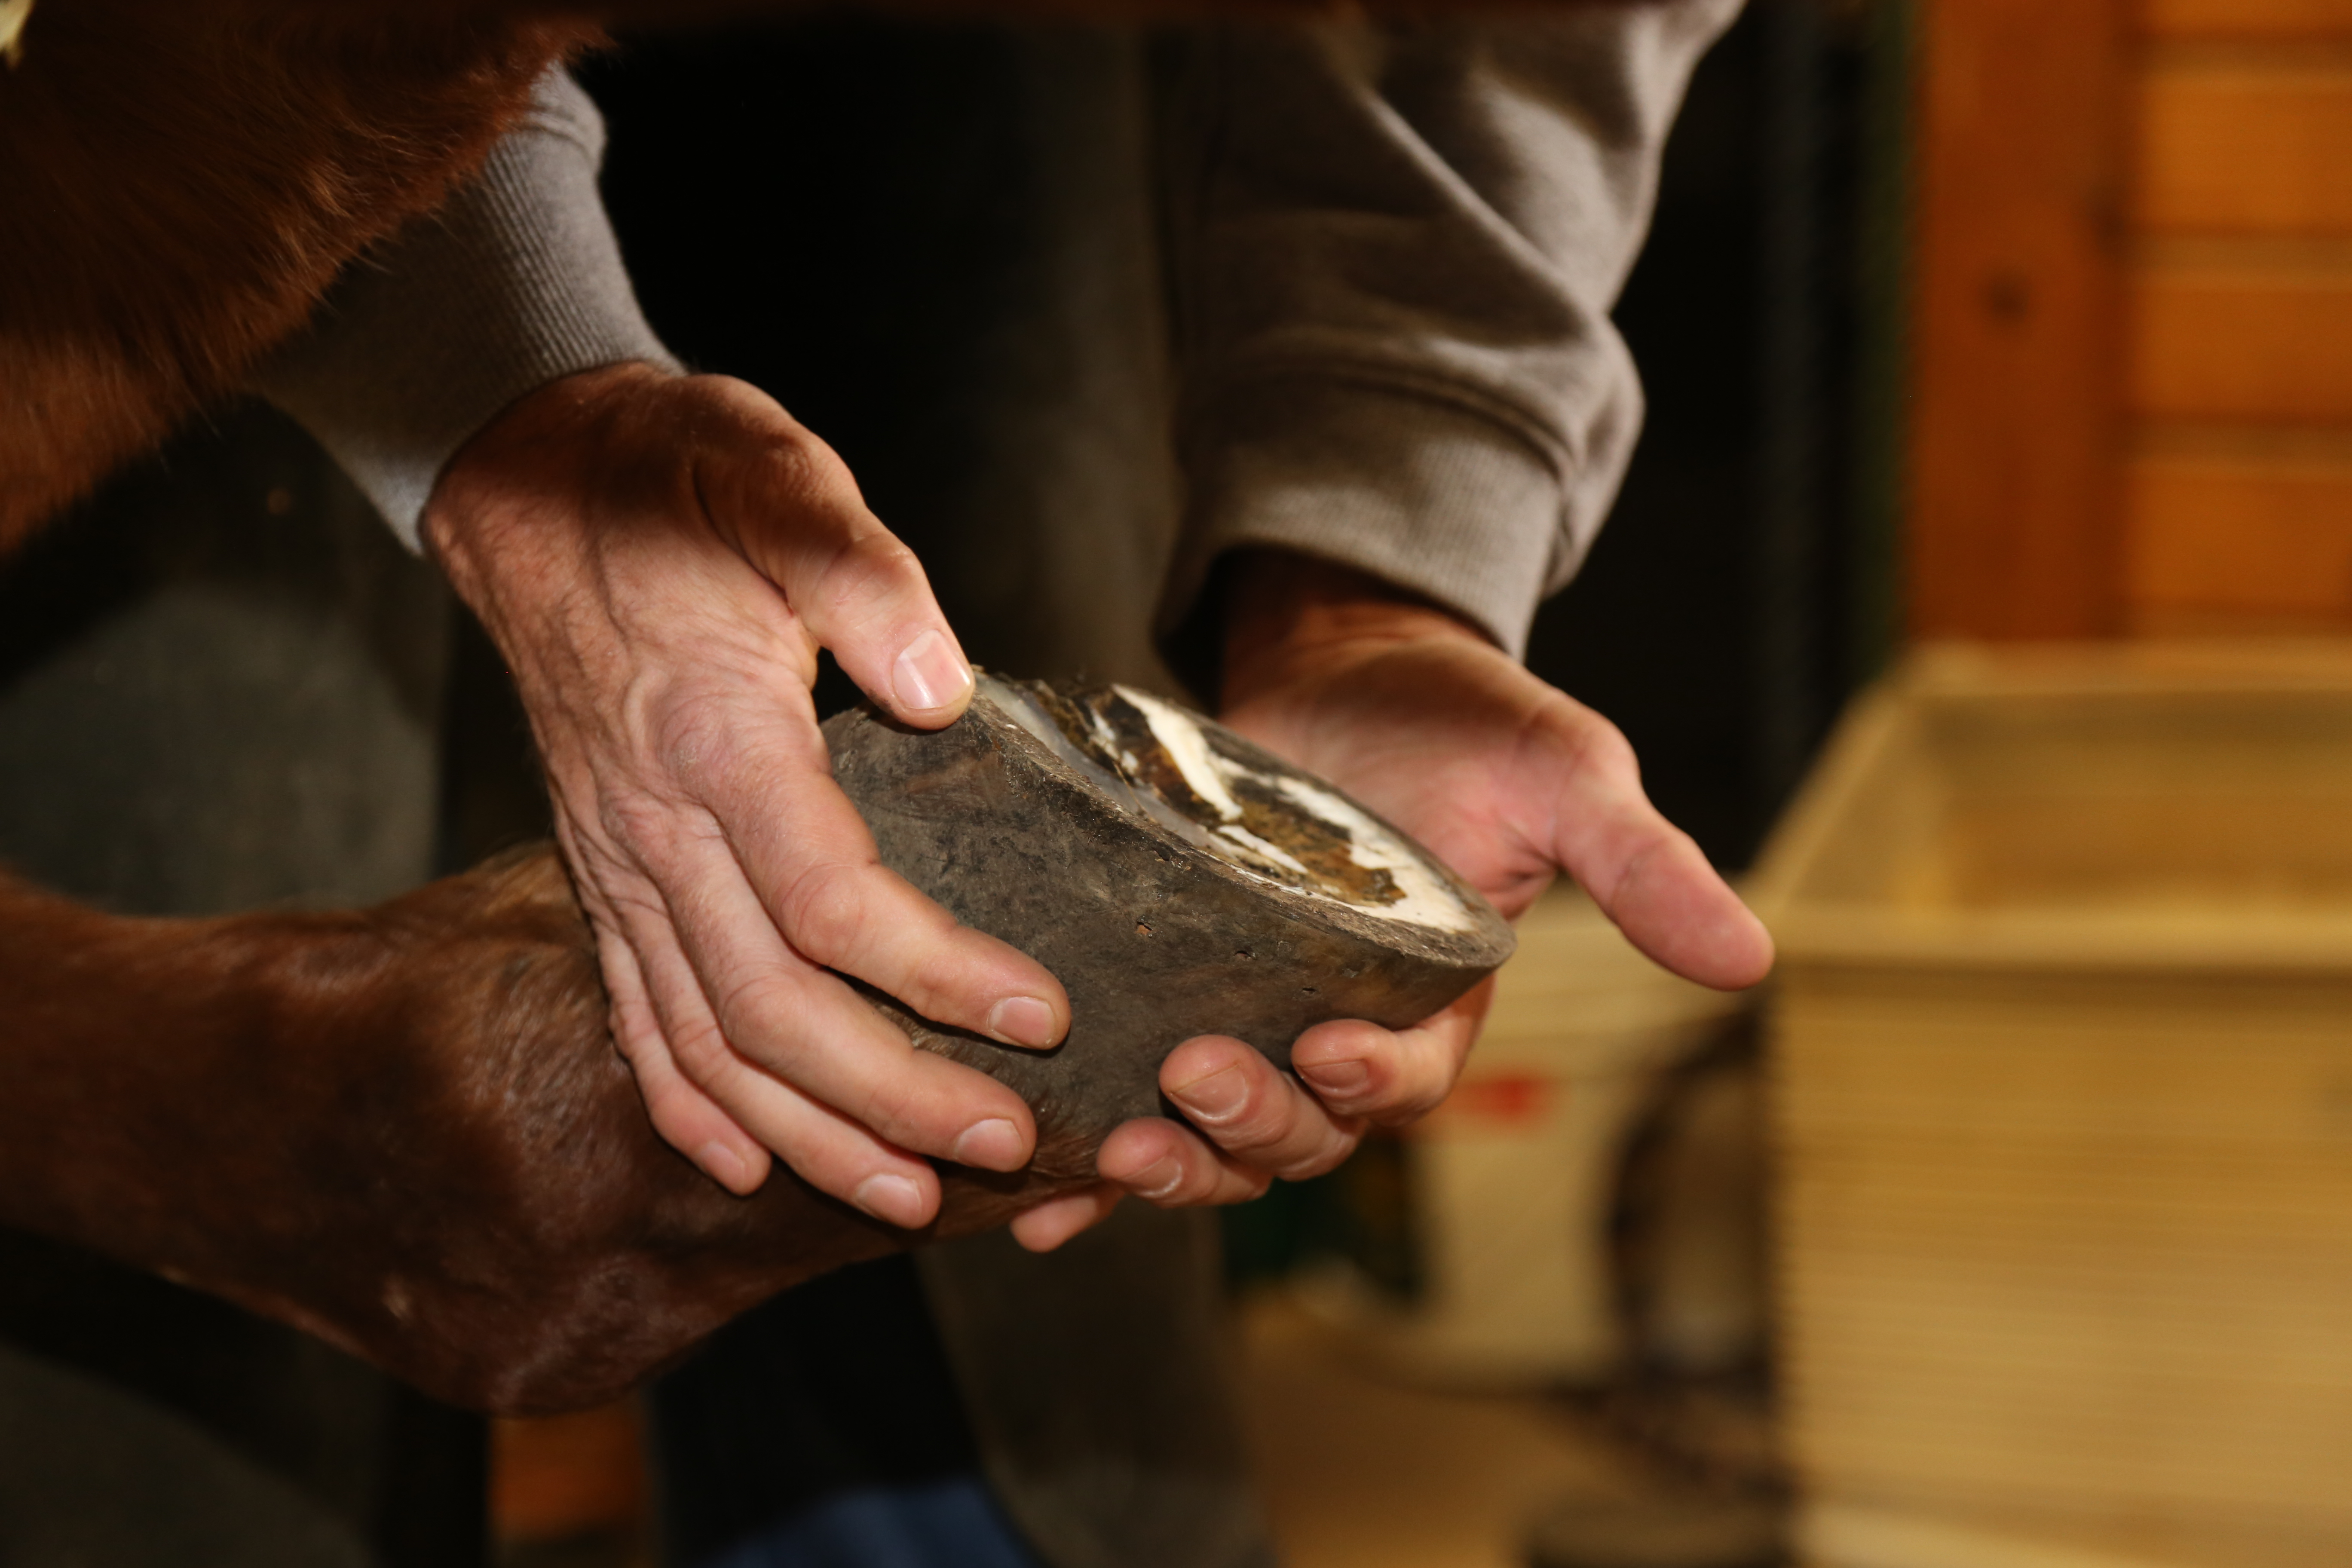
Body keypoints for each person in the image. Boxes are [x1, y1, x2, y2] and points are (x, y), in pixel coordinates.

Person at [255, 6, 1764, 1563]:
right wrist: (507, 396)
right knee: (244, 1084)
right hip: (179, 98)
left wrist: (1373, 564)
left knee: (939, 1018)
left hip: (949, 80)